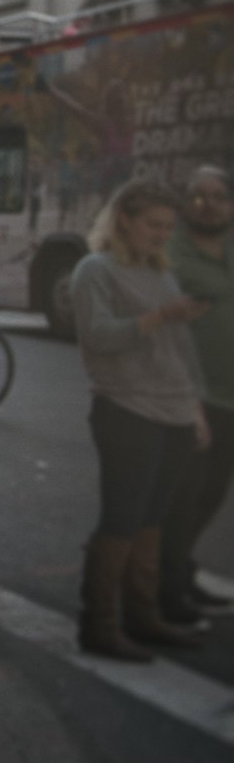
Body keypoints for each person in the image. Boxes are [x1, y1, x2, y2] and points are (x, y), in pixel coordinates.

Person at [69, 181, 211, 660]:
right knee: (123, 517)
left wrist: (194, 410)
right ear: (124, 219)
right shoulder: (96, 270)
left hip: (174, 410)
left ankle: (143, 616)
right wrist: (160, 316)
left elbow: (181, 351)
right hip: (126, 409)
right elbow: (97, 337)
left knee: (154, 520)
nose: (162, 236)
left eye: (169, 228)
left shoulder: (160, 272)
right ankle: (100, 624)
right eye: (154, 225)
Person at [165, 166, 234, 620]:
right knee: (183, 496)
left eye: (218, 195)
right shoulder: (171, 252)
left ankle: (182, 573)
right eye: (197, 195)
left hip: (231, 394)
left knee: (212, 494)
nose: (207, 203)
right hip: (193, 395)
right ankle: (166, 592)